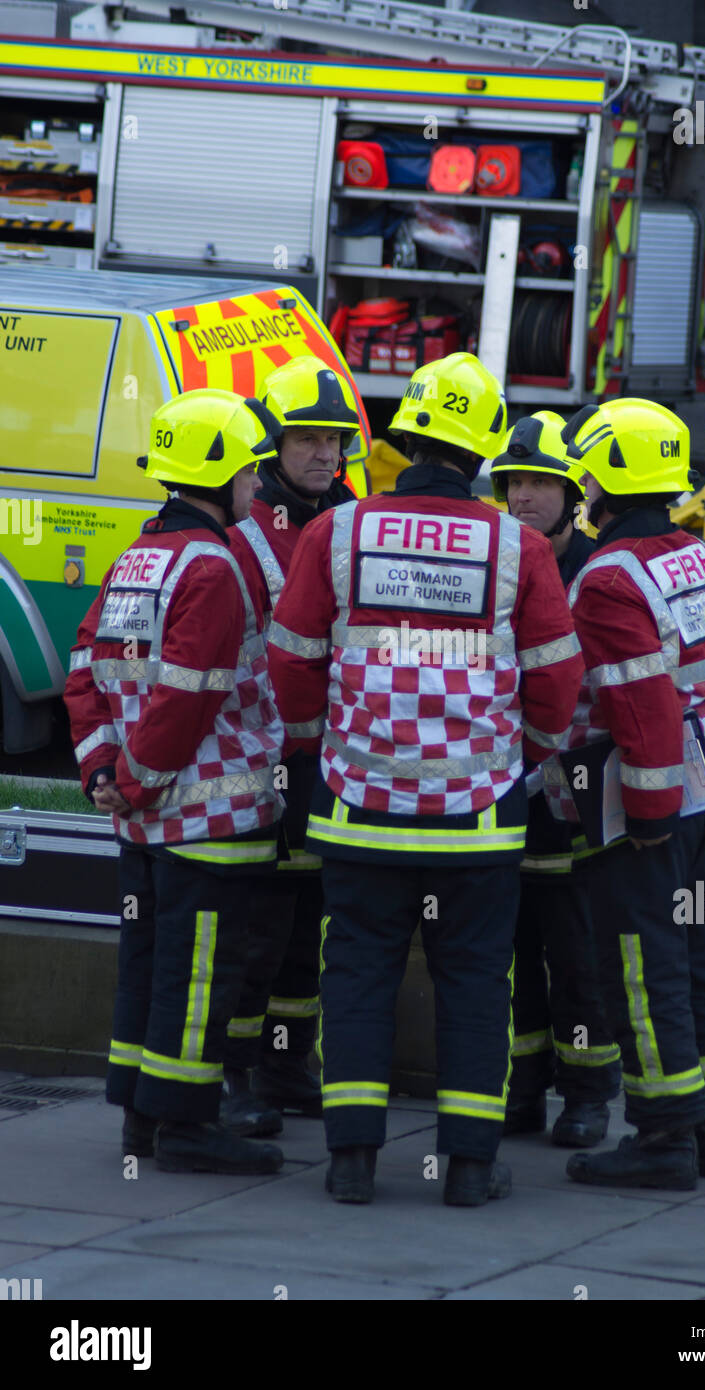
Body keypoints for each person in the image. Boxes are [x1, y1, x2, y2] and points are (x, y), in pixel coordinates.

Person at [267, 352, 584, 1206]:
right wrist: (529, 750)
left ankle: (351, 1161)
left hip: (359, 811)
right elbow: (556, 679)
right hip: (476, 819)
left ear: (405, 437)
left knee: (357, 975)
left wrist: (314, 741)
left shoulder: (338, 531)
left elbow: (292, 657)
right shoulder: (517, 547)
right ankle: (471, 1167)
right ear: (482, 450)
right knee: (477, 983)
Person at [559, 398, 705, 1191]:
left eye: (585, 471)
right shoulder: (693, 553)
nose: (578, 485)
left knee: (639, 962)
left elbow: (638, 704)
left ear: (606, 480)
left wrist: (650, 813)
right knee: (692, 955)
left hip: (643, 804)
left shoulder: (606, 578)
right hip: (703, 787)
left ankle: (659, 1136)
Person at [64, 389, 286, 1175]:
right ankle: (188, 1127)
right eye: (252, 472)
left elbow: (83, 670)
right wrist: (134, 779)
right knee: (198, 975)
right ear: (220, 474)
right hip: (206, 821)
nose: (259, 487)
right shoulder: (214, 568)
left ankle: (140, 1119)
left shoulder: (137, 556)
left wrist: (102, 772)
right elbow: (187, 693)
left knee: (147, 963)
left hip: (141, 819)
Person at [227, 355, 362, 1124]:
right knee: (258, 924)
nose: (325, 454)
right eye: (307, 438)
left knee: (310, 919)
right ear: (271, 446)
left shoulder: (353, 518)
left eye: (336, 440)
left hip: (329, 759)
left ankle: (286, 1067)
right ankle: (237, 1073)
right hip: (256, 760)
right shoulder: (246, 528)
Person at [488, 413, 621, 1147]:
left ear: (572, 494)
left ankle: (587, 1094)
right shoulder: (496, 561)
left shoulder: (597, 573)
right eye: (513, 483)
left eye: (540, 483)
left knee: (576, 955)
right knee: (511, 952)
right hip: (507, 790)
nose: (522, 497)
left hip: (577, 799)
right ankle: (522, 1089)